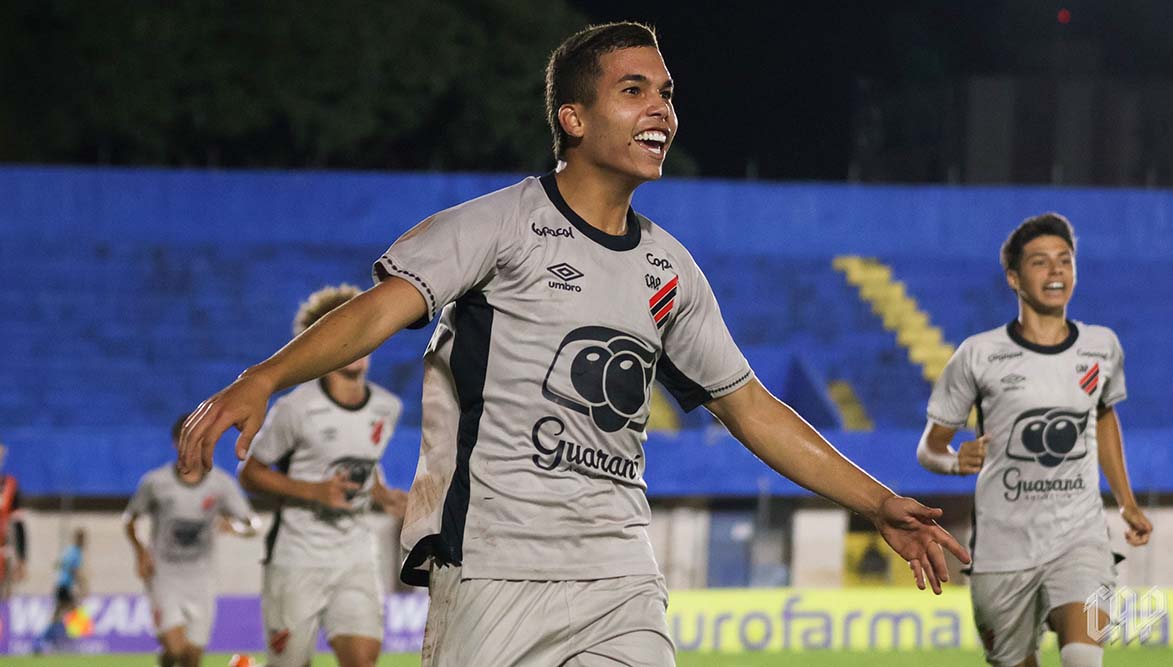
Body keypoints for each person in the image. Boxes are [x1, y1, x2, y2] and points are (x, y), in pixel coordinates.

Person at [179, 22, 969, 667]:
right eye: (634, 90)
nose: (661, 109)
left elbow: (750, 406)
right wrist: (264, 378)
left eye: (666, 93)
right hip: (494, 569)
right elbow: (378, 312)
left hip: (619, 571)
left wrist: (878, 500)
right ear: (574, 119)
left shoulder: (669, 269)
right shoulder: (498, 226)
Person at [916, 213, 1153, 667]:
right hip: (1002, 549)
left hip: (1080, 537)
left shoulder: (1102, 346)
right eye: (1040, 262)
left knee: (1083, 658)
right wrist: (954, 460)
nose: (1056, 270)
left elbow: (1103, 417)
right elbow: (929, 447)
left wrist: (1126, 502)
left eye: (1065, 260)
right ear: (1014, 278)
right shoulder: (978, 354)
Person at [238, 284, 406, 667]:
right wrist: (314, 492)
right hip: (298, 556)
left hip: (355, 553)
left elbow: (365, 462)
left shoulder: (387, 407)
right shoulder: (296, 408)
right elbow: (250, 474)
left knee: (363, 660)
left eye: (365, 331)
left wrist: (382, 494)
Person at [124, 414, 261, 667]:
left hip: (201, 578)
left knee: (192, 657)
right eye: (188, 440)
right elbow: (130, 519)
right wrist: (140, 552)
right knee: (175, 648)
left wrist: (235, 528)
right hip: (164, 574)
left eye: (201, 439)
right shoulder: (156, 483)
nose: (194, 447)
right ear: (177, 443)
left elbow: (252, 523)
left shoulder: (221, 484)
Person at [35, 527, 88, 653]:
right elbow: (74, 570)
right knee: (74, 609)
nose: (84, 541)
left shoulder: (68, 551)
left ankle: (42, 641)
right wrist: (82, 585)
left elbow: (57, 564)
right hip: (64, 587)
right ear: (79, 539)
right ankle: (68, 641)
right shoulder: (76, 552)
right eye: (82, 538)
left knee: (58, 615)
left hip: (60, 586)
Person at [0, 442, 29, 600]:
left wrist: (22, 558)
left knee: (5, 597)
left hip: (4, 552)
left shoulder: (10, 485)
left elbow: (19, 525)